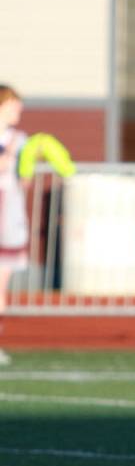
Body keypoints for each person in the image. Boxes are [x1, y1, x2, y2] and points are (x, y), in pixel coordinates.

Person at [0, 85, 28, 366]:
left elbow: (24, 177)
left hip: (8, 217)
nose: (18, 110)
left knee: (1, 285)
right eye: (13, 104)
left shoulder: (21, 140)